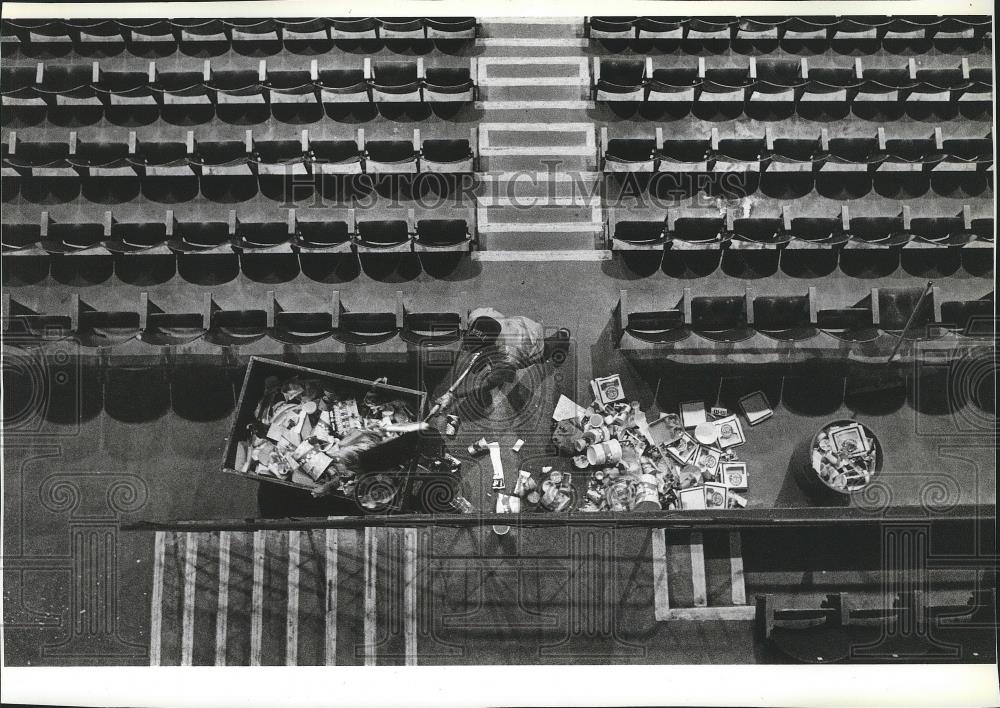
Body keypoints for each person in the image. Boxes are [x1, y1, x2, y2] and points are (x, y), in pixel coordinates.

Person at [429, 308, 570, 418]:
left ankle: (562, 336)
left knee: (544, 352)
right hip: (517, 324)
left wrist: (454, 395)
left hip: (530, 339)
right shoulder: (478, 315)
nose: (466, 348)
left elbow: (492, 381)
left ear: (491, 347)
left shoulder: (508, 357)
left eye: (475, 349)